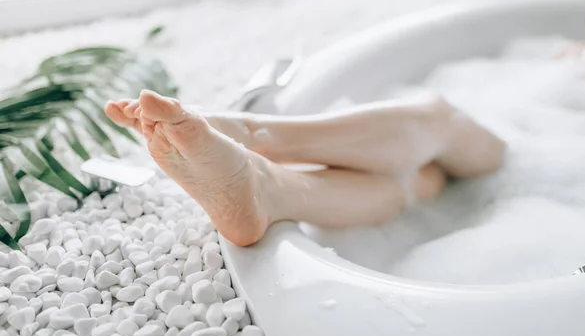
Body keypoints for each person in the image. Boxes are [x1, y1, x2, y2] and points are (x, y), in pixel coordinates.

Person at [105, 91, 506, 246]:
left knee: (441, 118)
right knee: (423, 181)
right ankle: (269, 187)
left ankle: (260, 140)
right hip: (515, 188)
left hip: (516, 156)